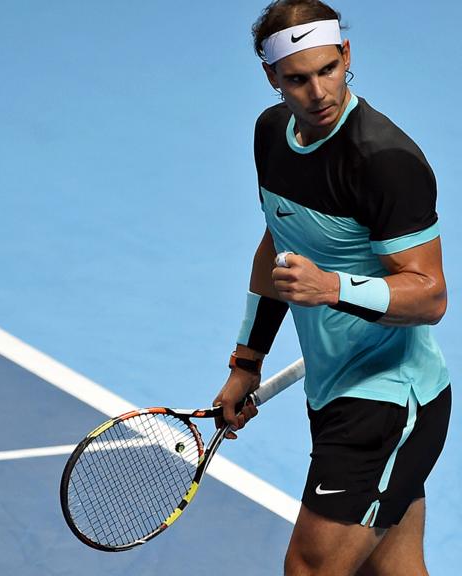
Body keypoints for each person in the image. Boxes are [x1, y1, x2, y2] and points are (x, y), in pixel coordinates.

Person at [212, 1, 452, 574]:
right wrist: (246, 362)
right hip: (332, 390)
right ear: (271, 77)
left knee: (310, 568)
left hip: (389, 401)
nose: (318, 92)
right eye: (297, 79)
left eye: (328, 69)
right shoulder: (271, 134)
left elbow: (431, 296)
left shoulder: (385, 160)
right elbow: (276, 247)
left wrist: (333, 288)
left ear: (346, 55)